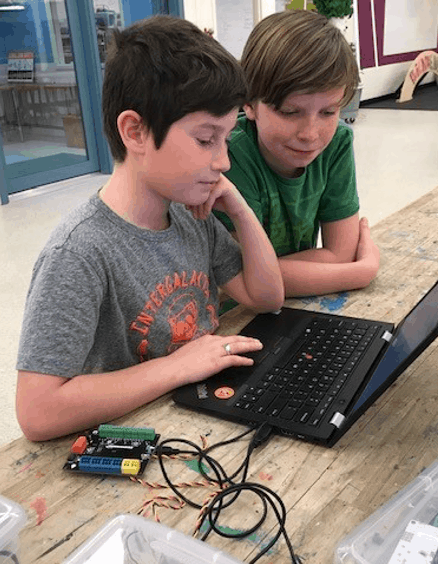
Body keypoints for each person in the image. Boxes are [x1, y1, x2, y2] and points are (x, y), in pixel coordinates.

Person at [15, 16, 284, 442]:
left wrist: (239, 208)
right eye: (205, 140)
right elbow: (37, 412)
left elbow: (267, 297)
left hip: (200, 415)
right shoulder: (78, 253)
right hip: (137, 438)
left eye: (226, 140)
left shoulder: (189, 215)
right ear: (135, 131)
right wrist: (178, 366)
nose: (223, 161)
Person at [215, 9, 380, 298]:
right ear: (249, 104)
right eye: (290, 112)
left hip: (298, 304)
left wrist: (336, 264)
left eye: (328, 112)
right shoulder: (230, 155)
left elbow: (340, 253)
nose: (310, 134)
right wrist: (361, 271)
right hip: (237, 314)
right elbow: (245, 278)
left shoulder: (337, 143)